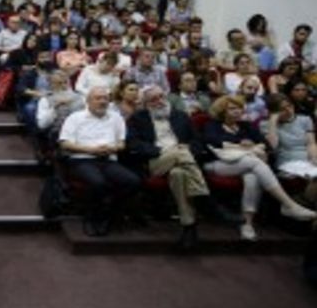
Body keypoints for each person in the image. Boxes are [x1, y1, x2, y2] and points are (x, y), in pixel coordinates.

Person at [126, 86, 238, 250]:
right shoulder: (138, 118)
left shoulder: (180, 116)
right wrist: (163, 150)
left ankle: (189, 227)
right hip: (156, 161)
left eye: (161, 97)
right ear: (145, 103)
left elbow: (197, 141)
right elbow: (134, 144)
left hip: (182, 161)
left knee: (178, 174)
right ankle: (207, 202)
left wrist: (187, 149)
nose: (159, 102)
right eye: (153, 99)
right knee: (180, 152)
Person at [203, 95, 316, 241]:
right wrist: (244, 144)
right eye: (232, 108)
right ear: (222, 111)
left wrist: (249, 146)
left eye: (239, 108)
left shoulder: (246, 125)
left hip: (245, 163)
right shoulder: (212, 125)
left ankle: (247, 223)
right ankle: (288, 204)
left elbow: (265, 144)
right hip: (217, 164)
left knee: (253, 175)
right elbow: (212, 141)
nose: (237, 111)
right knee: (254, 162)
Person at [59, 87, 142, 236]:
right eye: (98, 98)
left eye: (105, 98)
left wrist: (112, 148)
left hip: (108, 159)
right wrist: (91, 150)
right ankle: (94, 217)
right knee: (98, 183)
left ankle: (109, 211)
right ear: (88, 101)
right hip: (82, 159)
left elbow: (122, 144)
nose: (103, 101)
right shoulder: (75, 118)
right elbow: (65, 143)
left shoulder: (116, 118)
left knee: (133, 181)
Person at [263, 94, 317, 182]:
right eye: (282, 109)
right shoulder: (266, 125)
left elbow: (311, 144)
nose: (288, 110)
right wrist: (273, 121)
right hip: (288, 162)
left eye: (289, 106)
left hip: (308, 159)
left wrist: (314, 158)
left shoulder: (305, 120)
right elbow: (272, 146)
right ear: (274, 112)